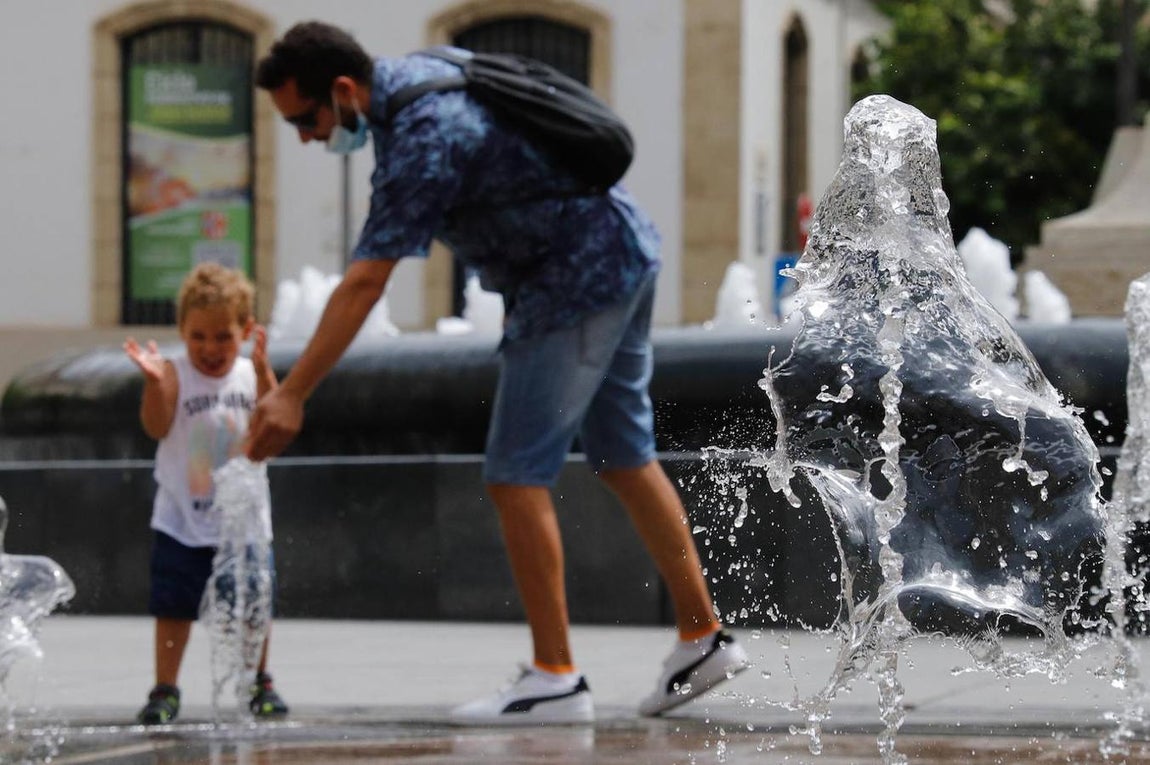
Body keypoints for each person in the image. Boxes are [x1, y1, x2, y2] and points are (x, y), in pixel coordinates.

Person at [248, 20, 748, 723]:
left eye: (306, 119)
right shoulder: (428, 72)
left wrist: (293, 393)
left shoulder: (423, 131)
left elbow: (366, 283)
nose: (305, 137)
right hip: (623, 251)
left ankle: (554, 676)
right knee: (625, 454)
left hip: (571, 282)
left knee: (515, 473)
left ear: (343, 89)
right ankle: (703, 638)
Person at [124, 262, 289, 724]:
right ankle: (165, 688)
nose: (210, 348)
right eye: (198, 336)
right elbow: (156, 426)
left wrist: (265, 375)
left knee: (254, 604)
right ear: (182, 331)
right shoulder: (175, 374)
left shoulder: (247, 375)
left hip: (245, 522)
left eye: (222, 336)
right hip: (181, 520)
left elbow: (272, 427)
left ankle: (259, 681)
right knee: (173, 607)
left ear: (246, 330)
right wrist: (154, 385)